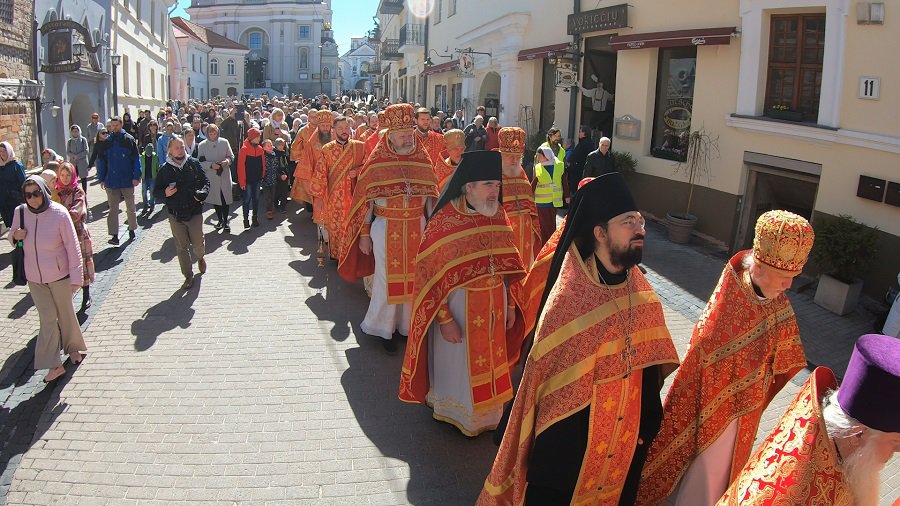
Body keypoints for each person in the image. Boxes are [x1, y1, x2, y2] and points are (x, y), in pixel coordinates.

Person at [479, 173, 680, 505]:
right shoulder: (570, 298)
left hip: (625, 443)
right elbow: (549, 387)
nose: (640, 229)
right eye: (628, 222)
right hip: (569, 456)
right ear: (600, 233)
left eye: (640, 220)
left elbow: (648, 366)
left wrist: (646, 425)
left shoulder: (642, 292)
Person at [638, 210, 816, 506]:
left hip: (745, 414)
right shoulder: (730, 299)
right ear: (759, 266)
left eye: (793, 278)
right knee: (704, 476)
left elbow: (788, 353)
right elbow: (705, 351)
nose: (789, 287)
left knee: (725, 476)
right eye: (785, 277)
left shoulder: (776, 301)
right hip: (712, 409)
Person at [399, 150, 526, 436]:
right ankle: (455, 411)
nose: (495, 191)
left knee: (492, 361)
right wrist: (444, 320)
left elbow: (508, 265)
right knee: (458, 367)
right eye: (488, 185)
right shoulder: (445, 221)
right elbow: (429, 276)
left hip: (494, 302)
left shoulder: (498, 213)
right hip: (458, 308)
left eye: (497, 185)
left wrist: (509, 307)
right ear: (468, 187)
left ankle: (489, 415)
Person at [719, 334, 900, 506]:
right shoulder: (804, 488)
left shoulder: (829, 446)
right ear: (858, 434)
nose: (898, 450)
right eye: (895, 441)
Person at [338, 103, 439, 354]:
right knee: (386, 279)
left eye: (410, 133)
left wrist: (433, 230)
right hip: (385, 227)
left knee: (414, 278)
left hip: (417, 224)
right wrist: (364, 235)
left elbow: (431, 198)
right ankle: (382, 328)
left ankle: (405, 327)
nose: (408, 138)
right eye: (403, 135)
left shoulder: (422, 160)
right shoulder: (378, 163)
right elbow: (366, 203)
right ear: (390, 136)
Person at [10, 176, 87, 382]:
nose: (32, 199)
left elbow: (73, 247)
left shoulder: (59, 213)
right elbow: (11, 237)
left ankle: (74, 348)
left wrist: (76, 278)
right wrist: (15, 235)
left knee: (66, 313)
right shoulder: (20, 212)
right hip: (34, 278)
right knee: (47, 319)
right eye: (28, 195)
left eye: (36, 193)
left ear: (44, 191)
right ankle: (54, 364)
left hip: (59, 275)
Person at [153, 136, 210, 290]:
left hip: (194, 211)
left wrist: (201, 194)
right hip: (175, 214)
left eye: (182, 147)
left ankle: (200, 257)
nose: (180, 150)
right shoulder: (165, 169)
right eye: (176, 147)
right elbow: (156, 192)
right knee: (181, 246)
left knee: (198, 243)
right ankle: (188, 276)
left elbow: (206, 182)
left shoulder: (193, 163)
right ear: (170, 150)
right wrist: (165, 192)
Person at [311, 115, 366, 263]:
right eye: (340, 128)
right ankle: (336, 255)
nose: (344, 131)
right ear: (334, 130)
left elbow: (368, 167)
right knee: (335, 226)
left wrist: (357, 171)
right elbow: (320, 173)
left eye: (346, 128)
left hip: (354, 194)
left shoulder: (359, 146)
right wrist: (318, 198)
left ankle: (351, 256)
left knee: (353, 225)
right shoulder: (327, 149)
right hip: (334, 196)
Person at [497, 127, 541, 267]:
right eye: (510, 157)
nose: (515, 161)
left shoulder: (521, 173)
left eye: (518, 157)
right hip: (503, 234)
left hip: (525, 234)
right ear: (501, 154)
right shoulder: (492, 175)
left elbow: (531, 207)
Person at [95, 116, 141, 245]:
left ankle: (132, 229)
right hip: (112, 180)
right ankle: (114, 235)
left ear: (121, 125)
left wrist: (136, 176)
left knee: (130, 207)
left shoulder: (129, 140)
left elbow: (135, 160)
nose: (114, 127)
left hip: (127, 179)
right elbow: (102, 161)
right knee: (113, 209)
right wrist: (101, 178)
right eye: (112, 125)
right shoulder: (107, 142)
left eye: (116, 125)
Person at [56, 162, 94, 312]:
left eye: (68, 175)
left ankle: (86, 294)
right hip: (60, 234)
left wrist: (58, 219)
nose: (65, 179)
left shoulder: (78, 191)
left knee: (82, 263)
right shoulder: (56, 192)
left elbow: (77, 211)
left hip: (77, 232)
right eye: (62, 175)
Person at [198, 124, 235, 232]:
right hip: (212, 175)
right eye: (211, 133)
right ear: (207, 134)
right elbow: (200, 161)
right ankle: (219, 220)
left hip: (224, 173)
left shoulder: (224, 142)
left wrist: (226, 161)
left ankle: (226, 221)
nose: (213, 135)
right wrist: (210, 165)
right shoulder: (202, 145)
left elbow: (231, 156)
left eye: (215, 133)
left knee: (225, 199)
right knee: (216, 198)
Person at [533, 145, 568, 245]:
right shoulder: (538, 167)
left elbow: (564, 181)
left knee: (552, 225)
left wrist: (567, 196)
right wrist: (528, 196)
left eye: (540, 156)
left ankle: (552, 246)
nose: (538, 158)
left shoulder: (559, 166)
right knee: (543, 226)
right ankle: (544, 246)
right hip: (541, 203)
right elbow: (534, 183)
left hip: (554, 201)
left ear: (546, 156)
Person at [289, 108, 319, 211]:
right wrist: (301, 158)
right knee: (308, 186)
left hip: (321, 163)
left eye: (316, 117)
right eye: (312, 117)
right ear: (308, 118)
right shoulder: (303, 130)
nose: (314, 119)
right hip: (308, 163)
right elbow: (295, 146)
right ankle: (310, 207)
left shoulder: (324, 130)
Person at [237, 127, 265, 229]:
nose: (259, 139)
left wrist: (262, 175)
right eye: (258, 137)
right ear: (253, 137)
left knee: (256, 199)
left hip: (257, 179)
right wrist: (242, 182)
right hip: (247, 180)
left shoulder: (260, 149)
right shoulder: (244, 149)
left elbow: (262, 164)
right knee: (247, 200)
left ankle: (255, 218)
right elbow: (240, 167)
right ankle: (246, 220)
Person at [0, 141, 26, 229]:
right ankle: (16, 243)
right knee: (11, 227)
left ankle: (20, 243)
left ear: (9, 151)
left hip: (15, 201)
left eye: (4, 150)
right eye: (0, 151)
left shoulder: (16, 165)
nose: (3, 153)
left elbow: (24, 183)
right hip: (4, 203)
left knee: (19, 226)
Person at [568, 126, 595, 193]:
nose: (579, 133)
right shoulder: (590, 143)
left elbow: (574, 156)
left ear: (584, 133)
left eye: (580, 132)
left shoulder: (583, 144)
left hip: (579, 171)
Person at [66, 125, 90, 192]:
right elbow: (68, 152)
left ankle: (84, 192)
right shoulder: (70, 141)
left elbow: (86, 150)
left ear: (79, 131)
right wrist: (73, 156)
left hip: (82, 162)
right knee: (74, 178)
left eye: (76, 131)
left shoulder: (83, 140)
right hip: (73, 162)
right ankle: (75, 192)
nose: (75, 133)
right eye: (73, 131)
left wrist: (78, 156)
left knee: (83, 178)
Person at [139, 143, 159, 217]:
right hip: (144, 177)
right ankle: (145, 205)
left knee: (152, 192)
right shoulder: (142, 157)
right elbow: (140, 166)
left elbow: (157, 166)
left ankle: (152, 205)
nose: (149, 154)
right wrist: (140, 176)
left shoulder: (155, 156)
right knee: (144, 192)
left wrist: (157, 175)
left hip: (152, 177)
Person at [271, 138, 291, 214]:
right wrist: (280, 175)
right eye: (279, 145)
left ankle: (283, 206)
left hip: (285, 174)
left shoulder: (283, 153)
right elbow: (275, 167)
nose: (281, 146)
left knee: (284, 192)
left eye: (282, 145)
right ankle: (275, 203)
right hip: (278, 175)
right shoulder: (274, 154)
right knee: (278, 191)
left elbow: (286, 164)